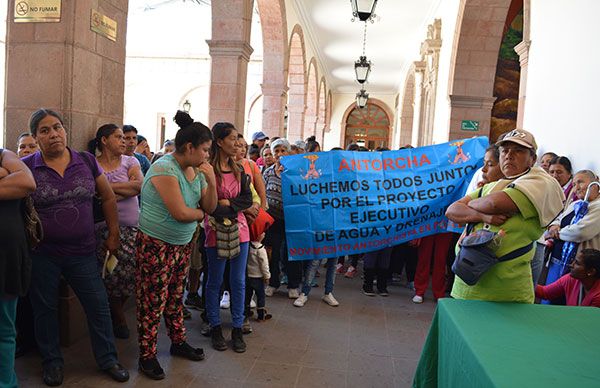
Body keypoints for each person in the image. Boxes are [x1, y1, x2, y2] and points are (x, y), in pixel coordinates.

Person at [22, 108, 129, 385]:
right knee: (44, 309)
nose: (53, 134)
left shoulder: (86, 161)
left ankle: (108, 359)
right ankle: (52, 362)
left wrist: (113, 233)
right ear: (36, 137)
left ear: (65, 131)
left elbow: (107, 197)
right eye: (44, 130)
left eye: (57, 127)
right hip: (42, 254)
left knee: (97, 305)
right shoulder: (28, 167)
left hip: (83, 252)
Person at [135, 111, 216, 380]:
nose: (207, 155)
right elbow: (182, 213)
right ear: (189, 147)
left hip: (182, 244)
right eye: (204, 150)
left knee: (174, 297)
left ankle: (178, 341)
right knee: (152, 301)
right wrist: (201, 214)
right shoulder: (164, 169)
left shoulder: (197, 170)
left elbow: (210, 205)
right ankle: (147, 355)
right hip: (156, 245)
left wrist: (212, 180)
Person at [446, 129, 564, 303]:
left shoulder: (539, 184)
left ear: (532, 159)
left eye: (518, 151)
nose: (509, 155)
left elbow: (493, 204)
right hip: (466, 284)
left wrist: (472, 205)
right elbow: (452, 211)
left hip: (505, 292)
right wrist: (483, 216)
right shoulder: (492, 186)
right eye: (505, 151)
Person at [88, 124, 142, 340]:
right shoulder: (94, 164)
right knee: (109, 275)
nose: (124, 141)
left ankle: (117, 313)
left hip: (130, 228)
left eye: (125, 137)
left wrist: (106, 191)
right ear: (104, 140)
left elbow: (138, 185)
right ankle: (118, 317)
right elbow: (92, 192)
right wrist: (122, 189)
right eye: (118, 137)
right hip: (102, 229)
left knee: (130, 275)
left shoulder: (131, 161)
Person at [205, 122, 253, 354]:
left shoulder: (240, 169)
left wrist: (228, 205)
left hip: (240, 230)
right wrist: (225, 207)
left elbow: (246, 200)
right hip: (215, 230)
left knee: (238, 280)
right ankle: (214, 326)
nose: (237, 143)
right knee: (214, 280)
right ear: (219, 141)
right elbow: (208, 205)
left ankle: (236, 327)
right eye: (232, 139)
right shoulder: (207, 170)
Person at [0, 148, 36, 388]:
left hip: (5, 260)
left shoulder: (4, 155)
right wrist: (4, 176)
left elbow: (25, 181)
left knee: (4, 330)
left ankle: (6, 382)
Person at [544, 170, 600, 291]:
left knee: (569, 300)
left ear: (595, 184)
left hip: (581, 268)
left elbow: (580, 231)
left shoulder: (598, 206)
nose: (576, 188)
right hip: (557, 261)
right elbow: (559, 218)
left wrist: (556, 234)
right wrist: (553, 226)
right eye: (574, 184)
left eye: (580, 182)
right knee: (550, 295)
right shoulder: (576, 204)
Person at [263, 139, 302, 299]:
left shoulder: (297, 172)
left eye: (282, 151)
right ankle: (273, 283)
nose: (279, 154)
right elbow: (262, 193)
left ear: (288, 152)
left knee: (291, 253)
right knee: (273, 253)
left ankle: (293, 285)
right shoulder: (268, 172)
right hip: (273, 221)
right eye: (276, 151)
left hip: (293, 220)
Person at [535, 249, 600, 307]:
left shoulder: (598, 296)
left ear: (591, 271)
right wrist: (525, 282)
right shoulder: (571, 279)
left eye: (577, 263)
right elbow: (545, 292)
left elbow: (587, 318)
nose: (571, 265)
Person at [245, 233, 273, 320]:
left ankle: (246, 311)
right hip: (258, 277)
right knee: (260, 296)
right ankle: (261, 315)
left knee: (247, 296)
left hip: (248, 276)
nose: (264, 234)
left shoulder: (247, 246)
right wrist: (267, 276)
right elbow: (264, 265)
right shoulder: (261, 249)